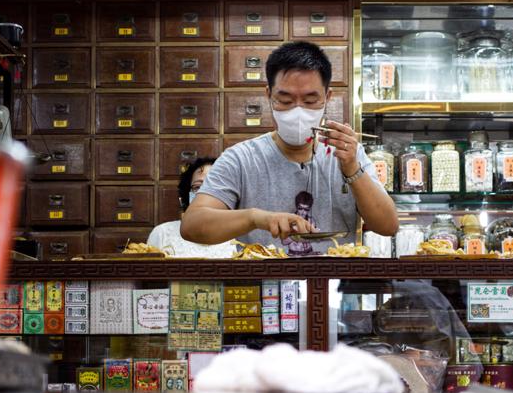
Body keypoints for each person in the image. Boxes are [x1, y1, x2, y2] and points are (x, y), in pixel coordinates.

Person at [181, 41, 398, 248]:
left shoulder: (347, 154)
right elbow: (192, 226)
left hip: (330, 284)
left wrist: (352, 169)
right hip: (264, 283)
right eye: (285, 101)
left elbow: (388, 226)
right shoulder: (241, 158)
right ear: (269, 95)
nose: (298, 111)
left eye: (310, 101)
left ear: (327, 97)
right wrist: (256, 218)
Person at [146, 157, 235, 258]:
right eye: (197, 187)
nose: (206, 193)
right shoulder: (162, 234)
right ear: (186, 195)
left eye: (214, 186)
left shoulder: (240, 238)